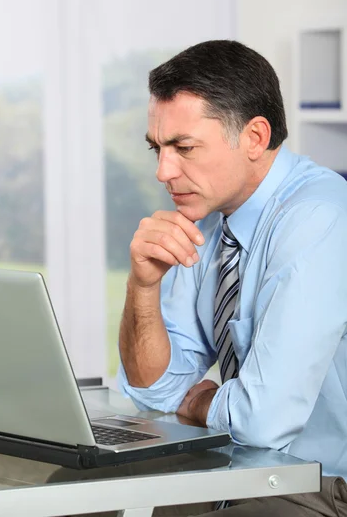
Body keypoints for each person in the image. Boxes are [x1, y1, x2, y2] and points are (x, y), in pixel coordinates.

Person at [118, 40, 347, 516]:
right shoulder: (208, 222)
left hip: (322, 484)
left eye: (183, 147)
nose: (163, 171)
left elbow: (263, 420)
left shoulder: (319, 218)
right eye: (157, 148)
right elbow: (155, 392)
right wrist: (142, 287)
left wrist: (205, 405)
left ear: (255, 137)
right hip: (236, 467)